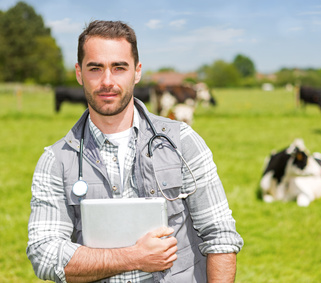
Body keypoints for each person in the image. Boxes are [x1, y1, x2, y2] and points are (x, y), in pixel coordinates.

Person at [27, 20, 243, 283]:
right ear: (79, 73)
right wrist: (134, 257)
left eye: (119, 68)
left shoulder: (182, 142)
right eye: (95, 68)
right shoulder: (56, 160)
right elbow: (44, 254)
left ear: (137, 72)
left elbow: (220, 236)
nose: (107, 81)